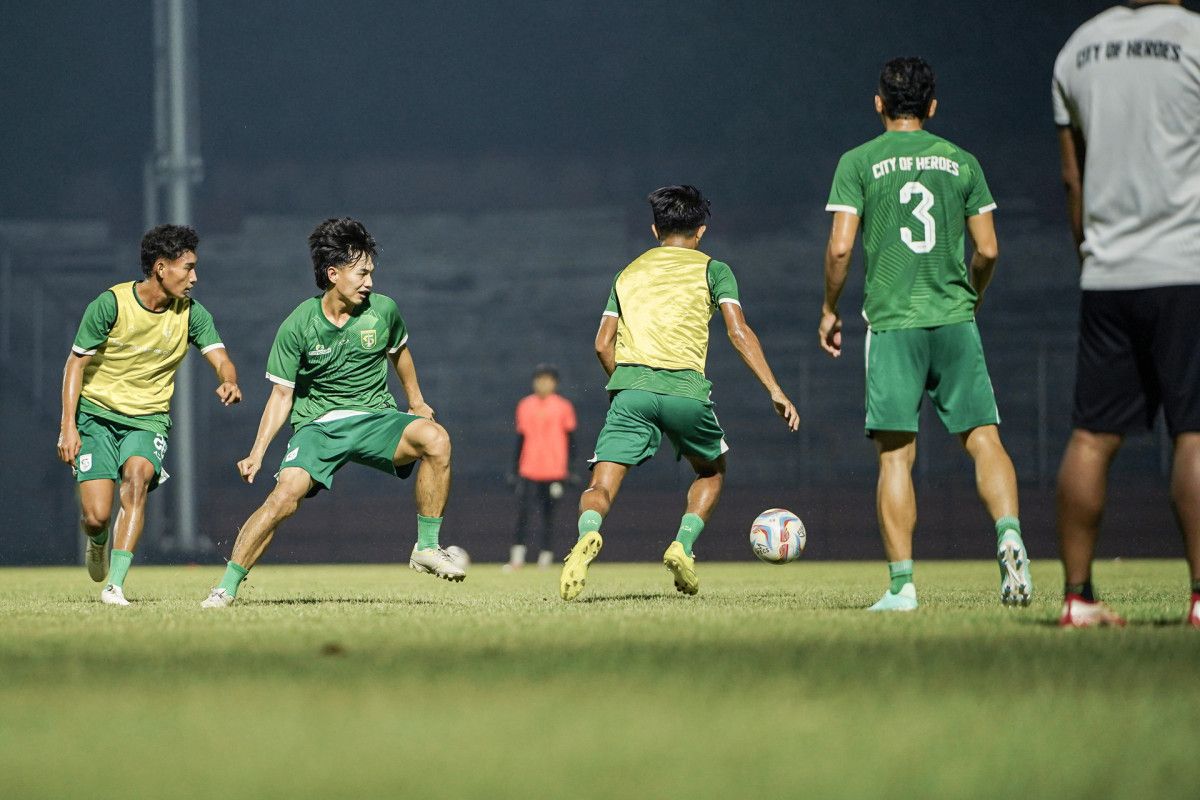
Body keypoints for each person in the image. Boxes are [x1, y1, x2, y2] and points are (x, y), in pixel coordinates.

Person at [819, 57, 1031, 612]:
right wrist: (972, 299)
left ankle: (902, 587)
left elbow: (841, 248)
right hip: (955, 319)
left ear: (879, 103)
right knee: (984, 439)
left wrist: (829, 307)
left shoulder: (858, 162)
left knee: (895, 458)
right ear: (933, 107)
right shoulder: (961, 161)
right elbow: (988, 249)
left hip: (893, 323)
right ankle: (1009, 535)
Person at [201, 217, 462, 607]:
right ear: (333, 273)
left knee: (436, 439)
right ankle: (225, 588)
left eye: (371, 272)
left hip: (376, 419)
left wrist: (416, 401)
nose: (369, 282)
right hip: (319, 427)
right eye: (361, 273)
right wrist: (257, 452)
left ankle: (426, 547)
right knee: (283, 499)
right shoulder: (299, 325)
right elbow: (280, 396)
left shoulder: (384, 311)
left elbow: (400, 352)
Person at [559, 185, 799, 601]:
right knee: (710, 471)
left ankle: (588, 535)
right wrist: (775, 389)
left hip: (631, 390)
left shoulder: (627, 273)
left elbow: (602, 342)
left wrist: (626, 384)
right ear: (701, 231)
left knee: (600, 484)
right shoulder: (714, 270)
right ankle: (682, 545)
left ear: (655, 229)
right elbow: (738, 332)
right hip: (685, 392)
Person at [1052, 1, 1200, 628]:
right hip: (1187, 265)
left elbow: (1071, 175)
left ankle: (1078, 598)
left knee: (1091, 436)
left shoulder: (1078, 48)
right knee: (1193, 434)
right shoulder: (1193, 38)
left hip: (1108, 272)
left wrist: (1091, 251)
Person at [57, 224, 241, 605]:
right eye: (187, 268)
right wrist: (68, 427)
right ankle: (98, 540)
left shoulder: (192, 314)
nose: (195, 277)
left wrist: (228, 380)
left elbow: (221, 358)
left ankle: (115, 586)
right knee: (96, 515)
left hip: (147, 418)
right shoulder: (111, 304)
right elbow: (74, 365)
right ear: (161, 268)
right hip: (96, 416)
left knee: (137, 478)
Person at [504, 364, 577, 571]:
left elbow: (572, 441)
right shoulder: (525, 405)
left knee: (549, 517)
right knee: (523, 514)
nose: (542, 384)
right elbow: (520, 439)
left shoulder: (564, 407)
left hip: (555, 471)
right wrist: (514, 469)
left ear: (555, 383)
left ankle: (545, 559)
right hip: (529, 470)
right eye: (539, 379)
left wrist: (571, 470)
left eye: (547, 380)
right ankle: (517, 559)